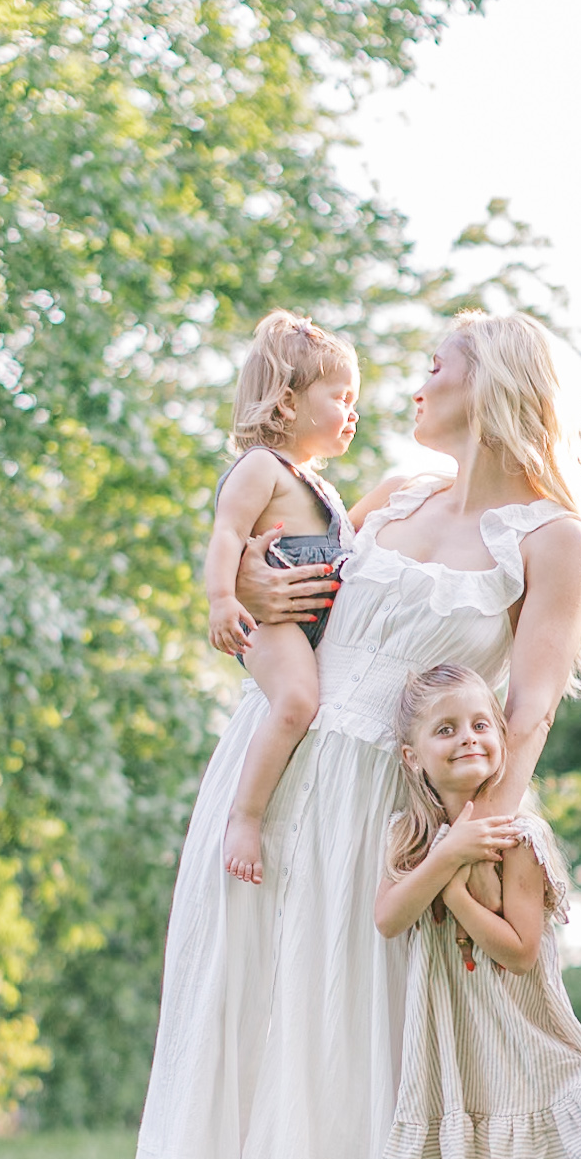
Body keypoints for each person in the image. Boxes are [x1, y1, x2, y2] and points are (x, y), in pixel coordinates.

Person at [116, 310, 581, 1159]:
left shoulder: (548, 536)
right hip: (277, 774)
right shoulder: (383, 503)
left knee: (354, 1019)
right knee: (252, 1000)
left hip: (391, 808)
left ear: (497, 382)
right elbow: (275, 583)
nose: (413, 385)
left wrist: (474, 837)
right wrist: (251, 581)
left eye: (436, 366)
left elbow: (529, 707)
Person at [374, 663, 581, 1159]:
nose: (467, 737)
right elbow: (389, 918)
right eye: (446, 729)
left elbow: (519, 951)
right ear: (413, 756)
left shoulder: (519, 835)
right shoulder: (409, 836)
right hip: (457, 1028)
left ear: (501, 738)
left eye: (480, 724)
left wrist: (457, 894)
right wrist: (446, 856)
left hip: (523, 1023)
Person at [204, 312, 360, 885]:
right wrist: (224, 599)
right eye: (340, 397)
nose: (353, 411)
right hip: (275, 627)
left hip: (311, 627)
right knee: (296, 703)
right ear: (289, 402)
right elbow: (226, 534)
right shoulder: (261, 468)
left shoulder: (319, 485)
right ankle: (244, 818)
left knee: (308, 703)